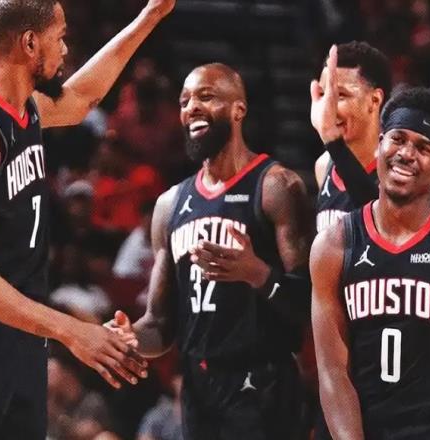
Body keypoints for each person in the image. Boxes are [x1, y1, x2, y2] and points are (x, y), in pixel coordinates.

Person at [0, 0, 175, 438]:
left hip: (21, 337)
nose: (65, 48)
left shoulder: (25, 109)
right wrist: (71, 330)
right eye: (59, 37)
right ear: (30, 43)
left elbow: (83, 97)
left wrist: (149, 16)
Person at [108, 63, 314, 439]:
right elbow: (160, 326)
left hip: (264, 383)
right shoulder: (169, 205)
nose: (192, 107)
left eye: (206, 96)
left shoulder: (277, 187)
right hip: (199, 390)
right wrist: (128, 340)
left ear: (238, 109)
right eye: (185, 101)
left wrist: (257, 273)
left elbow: (308, 305)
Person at [311, 87, 430, 439]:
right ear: (379, 145)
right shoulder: (333, 245)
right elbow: (333, 372)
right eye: (398, 139)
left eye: (423, 147)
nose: (406, 153)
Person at [311, 41, 392, 232]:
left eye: (340, 95)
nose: (327, 108)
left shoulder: (397, 167)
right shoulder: (324, 165)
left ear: (374, 100)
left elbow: (386, 228)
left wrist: (332, 139)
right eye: (322, 94)